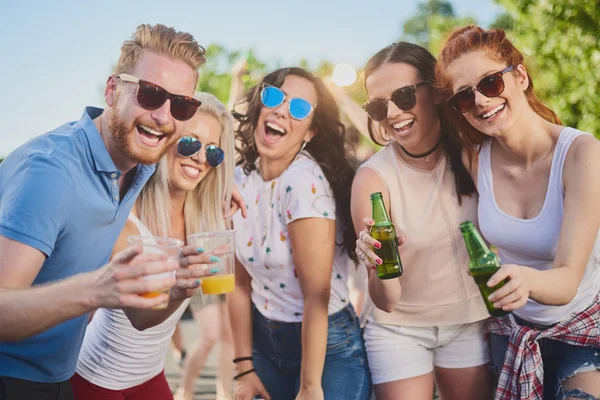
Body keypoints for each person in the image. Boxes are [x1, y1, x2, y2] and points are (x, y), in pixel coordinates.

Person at [0, 24, 206, 400]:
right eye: (150, 94)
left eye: (181, 104)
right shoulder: (51, 174)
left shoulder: (137, 166)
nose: (163, 116)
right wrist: (95, 290)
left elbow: (139, 317)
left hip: (57, 378)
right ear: (112, 90)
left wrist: (177, 288)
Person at [435, 25, 600, 400]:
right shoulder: (474, 158)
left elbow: (567, 280)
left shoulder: (581, 154)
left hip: (581, 328)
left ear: (520, 77)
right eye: (464, 96)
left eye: (491, 82)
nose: (480, 101)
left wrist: (523, 280)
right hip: (512, 330)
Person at [353, 42, 494, 400]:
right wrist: (378, 266)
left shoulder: (474, 153)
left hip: (468, 321)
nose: (392, 112)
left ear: (433, 92)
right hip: (398, 329)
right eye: (378, 104)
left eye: (403, 95)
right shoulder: (373, 179)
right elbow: (386, 300)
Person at [70, 93, 234, 399]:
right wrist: (178, 290)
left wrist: (229, 191)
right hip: (96, 380)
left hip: (150, 378)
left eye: (213, 152)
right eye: (190, 143)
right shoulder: (125, 220)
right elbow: (139, 318)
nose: (201, 157)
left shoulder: (210, 223)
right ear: (165, 140)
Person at [229, 67, 371, 400]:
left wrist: (310, 386)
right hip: (264, 339)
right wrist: (243, 368)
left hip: (328, 344)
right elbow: (237, 284)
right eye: (275, 96)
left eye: (299, 109)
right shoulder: (238, 179)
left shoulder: (304, 183)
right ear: (260, 103)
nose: (281, 109)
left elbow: (316, 296)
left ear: (310, 132)